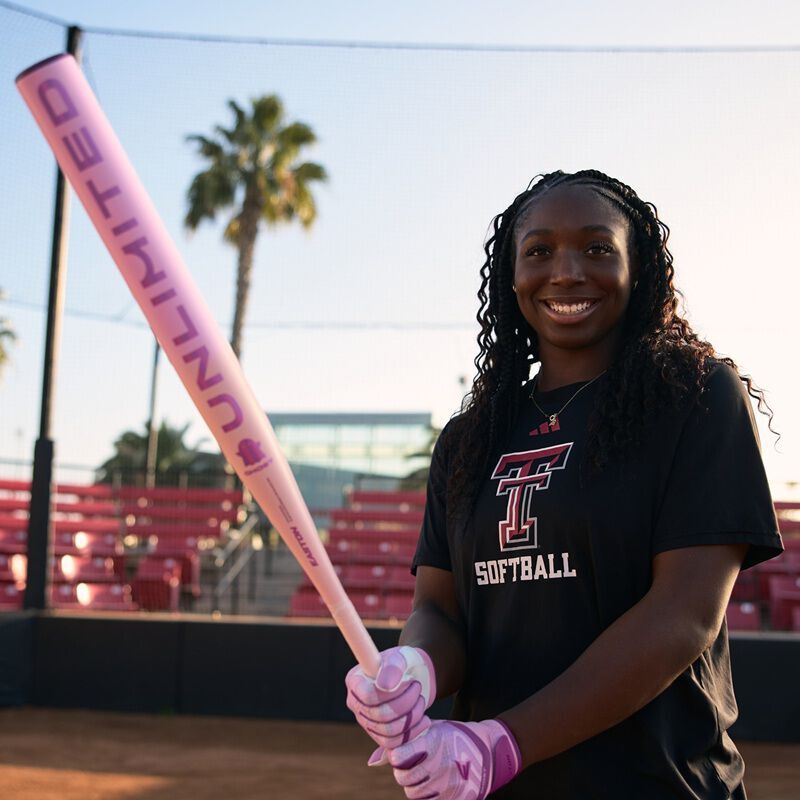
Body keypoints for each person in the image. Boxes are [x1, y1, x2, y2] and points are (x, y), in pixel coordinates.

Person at [345, 169, 783, 799]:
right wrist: (416, 666)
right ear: (511, 276)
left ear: (638, 268)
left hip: (659, 785)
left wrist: (502, 744)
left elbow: (685, 614)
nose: (567, 272)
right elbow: (439, 610)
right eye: (539, 251)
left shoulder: (695, 398)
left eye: (598, 248)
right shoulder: (469, 439)